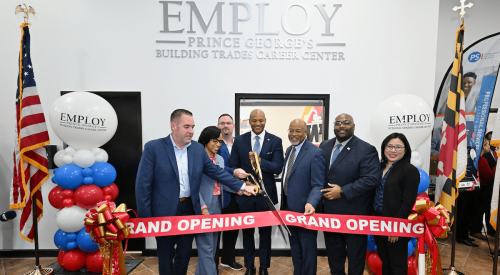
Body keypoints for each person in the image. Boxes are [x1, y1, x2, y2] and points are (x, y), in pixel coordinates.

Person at [135, 109, 256, 275]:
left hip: (189, 209)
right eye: (186, 126)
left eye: (192, 126)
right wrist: (145, 219)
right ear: (173, 125)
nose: (191, 131)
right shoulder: (153, 148)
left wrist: (242, 186)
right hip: (163, 212)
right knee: (165, 256)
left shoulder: (197, 149)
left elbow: (216, 172)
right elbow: (143, 185)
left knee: (184, 256)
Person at [320, 113, 381, 275]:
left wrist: (343, 191)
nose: (341, 126)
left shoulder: (366, 149)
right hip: (329, 214)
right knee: (334, 255)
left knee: (355, 257)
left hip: (355, 214)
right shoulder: (324, 146)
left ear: (353, 126)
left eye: (346, 123)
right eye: (338, 123)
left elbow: (372, 179)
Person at [230, 109, 284, 275]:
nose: (257, 124)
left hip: (266, 196)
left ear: (265, 121)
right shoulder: (239, 140)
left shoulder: (275, 140)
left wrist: (261, 161)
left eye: (260, 120)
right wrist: (241, 181)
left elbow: (277, 167)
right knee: (247, 233)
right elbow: (233, 166)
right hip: (245, 196)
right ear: (250, 121)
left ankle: (263, 268)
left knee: (265, 234)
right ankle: (250, 267)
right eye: (254, 120)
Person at [195, 126, 247, 275]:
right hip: (203, 205)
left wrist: (241, 189)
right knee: (206, 247)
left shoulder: (220, 159)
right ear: (205, 140)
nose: (218, 145)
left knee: (211, 246)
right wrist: (202, 206)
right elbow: (193, 186)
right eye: (215, 141)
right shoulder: (197, 157)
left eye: (220, 142)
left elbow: (222, 182)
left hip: (218, 204)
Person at [281, 119, 325, 275]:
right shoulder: (289, 150)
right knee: (295, 247)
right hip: (289, 209)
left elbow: (318, 185)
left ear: (306, 132)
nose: (294, 134)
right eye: (291, 130)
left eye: (298, 131)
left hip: (306, 210)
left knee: (307, 249)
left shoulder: (315, 153)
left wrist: (311, 203)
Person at [373, 133, 420, 275]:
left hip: (395, 223)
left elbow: (408, 202)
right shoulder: (378, 167)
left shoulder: (409, 170)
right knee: (385, 260)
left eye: (398, 147)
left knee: (397, 264)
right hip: (377, 221)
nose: (393, 150)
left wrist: (396, 227)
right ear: (384, 148)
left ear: (405, 150)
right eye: (390, 146)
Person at [214, 114, 244, 271]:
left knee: (232, 228)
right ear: (218, 126)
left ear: (233, 126)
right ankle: (213, 263)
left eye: (228, 123)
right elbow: (214, 167)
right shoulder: (214, 144)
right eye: (222, 123)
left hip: (237, 193)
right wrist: (234, 172)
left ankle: (228, 259)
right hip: (219, 193)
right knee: (215, 230)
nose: (225, 125)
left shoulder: (240, 143)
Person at [476, 138, 496, 237]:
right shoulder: (482, 159)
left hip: (482, 187)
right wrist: (497, 166)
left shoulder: (481, 158)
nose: (489, 146)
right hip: (482, 188)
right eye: (488, 144)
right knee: (480, 210)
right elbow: (489, 175)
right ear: (483, 146)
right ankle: (476, 230)